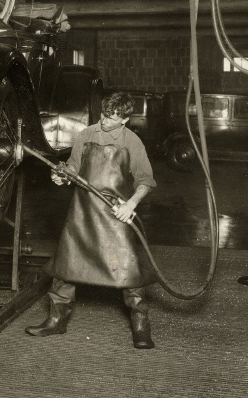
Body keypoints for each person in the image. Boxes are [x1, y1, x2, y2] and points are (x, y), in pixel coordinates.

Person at [25, 91, 157, 349]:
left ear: (125, 120)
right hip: (83, 211)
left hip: (115, 213)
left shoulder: (133, 142)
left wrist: (130, 205)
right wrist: (62, 176)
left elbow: (146, 181)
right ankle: (56, 320)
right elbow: (73, 168)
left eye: (111, 118)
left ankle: (141, 326)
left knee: (129, 273)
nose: (104, 121)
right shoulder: (86, 135)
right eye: (104, 114)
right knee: (65, 267)